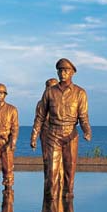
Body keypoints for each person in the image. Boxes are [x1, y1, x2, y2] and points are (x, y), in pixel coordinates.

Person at [30, 58, 91, 199]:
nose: (63, 73)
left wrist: (87, 131)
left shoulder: (80, 93)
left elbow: (83, 116)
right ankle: (51, 208)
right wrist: (34, 136)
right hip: (53, 135)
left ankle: (67, 206)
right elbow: (40, 116)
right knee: (52, 172)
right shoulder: (49, 92)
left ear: (72, 73)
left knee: (69, 172)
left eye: (66, 70)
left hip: (71, 134)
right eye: (60, 70)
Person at [33, 78, 58, 191]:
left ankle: (59, 186)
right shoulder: (40, 104)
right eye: (48, 87)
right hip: (45, 134)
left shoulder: (61, 103)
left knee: (59, 162)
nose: (50, 90)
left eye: (53, 87)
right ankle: (48, 185)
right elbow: (37, 121)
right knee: (47, 160)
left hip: (59, 134)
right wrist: (33, 138)